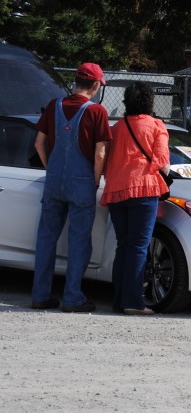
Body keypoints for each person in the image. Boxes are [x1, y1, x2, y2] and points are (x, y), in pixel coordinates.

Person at [31, 62, 112, 313]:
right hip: (82, 183)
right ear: (96, 85)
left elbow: (38, 144)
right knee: (78, 241)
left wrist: (50, 168)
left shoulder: (54, 105)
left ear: (76, 81)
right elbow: (100, 154)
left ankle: (40, 295)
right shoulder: (97, 112)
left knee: (46, 238)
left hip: (54, 181)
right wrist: (95, 180)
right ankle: (73, 297)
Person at [100, 82, 170, 315]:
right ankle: (133, 302)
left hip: (117, 191)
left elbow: (106, 161)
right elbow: (163, 163)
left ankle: (120, 300)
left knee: (124, 246)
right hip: (144, 190)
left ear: (126, 101)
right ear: (150, 102)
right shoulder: (156, 126)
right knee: (139, 247)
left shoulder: (117, 127)